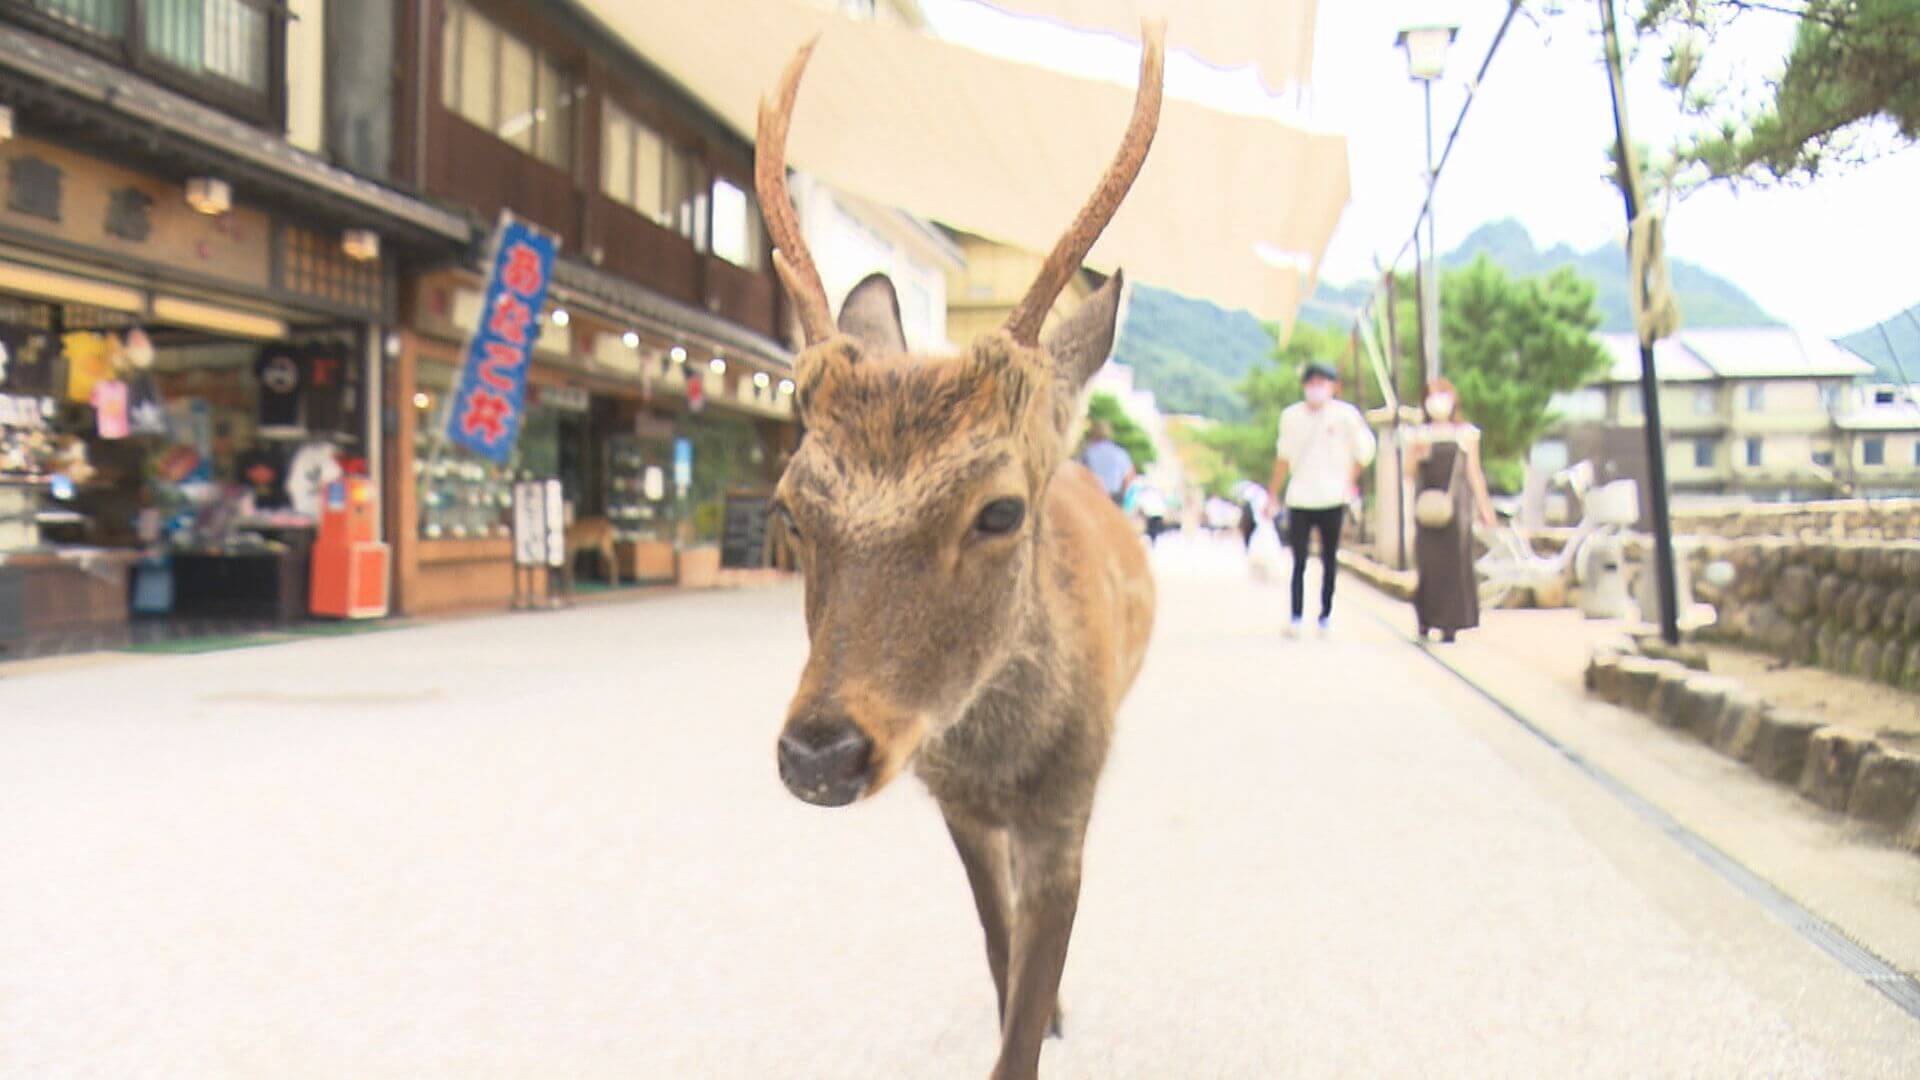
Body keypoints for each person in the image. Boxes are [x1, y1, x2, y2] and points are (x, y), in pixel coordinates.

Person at [1270, 362, 1376, 636]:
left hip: (1333, 497)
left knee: (1330, 558)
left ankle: (1325, 614)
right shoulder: (1291, 416)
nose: (1317, 388)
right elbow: (1283, 457)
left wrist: (1349, 481)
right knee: (1299, 559)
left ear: (1333, 386)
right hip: (1300, 497)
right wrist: (1273, 493)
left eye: (1323, 383)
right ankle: (1295, 615)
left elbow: (1364, 451)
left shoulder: (1345, 415)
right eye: (1312, 383)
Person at [1405, 377, 1497, 643]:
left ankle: (1451, 623)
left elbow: (1473, 473)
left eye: (1441, 393)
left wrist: (1484, 507)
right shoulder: (1418, 434)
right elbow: (1409, 474)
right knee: (1429, 563)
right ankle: (1427, 618)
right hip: (1427, 505)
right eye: (1431, 395)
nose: (1437, 400)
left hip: (1457, 508)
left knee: (1454, 563)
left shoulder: (1466, 433)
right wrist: (1417, 455)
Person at [1080, 420, 1135, 506]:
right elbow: (1128, 479)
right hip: (1114, 499)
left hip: (1091, 496)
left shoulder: (1088, 451)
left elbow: (1079, 473)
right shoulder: (1120, 453)